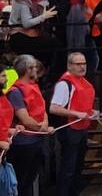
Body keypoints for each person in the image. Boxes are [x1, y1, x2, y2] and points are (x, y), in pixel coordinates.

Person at [48, 52, 97, 196]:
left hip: (81, 128)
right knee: (68, 168)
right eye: (78, 64)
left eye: (84, 63)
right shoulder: (65, 84)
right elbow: (54, 108)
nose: (82, 67)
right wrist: (76, 114)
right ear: (70, 66)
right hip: (70, 129)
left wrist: (90, 111)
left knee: (77, 167)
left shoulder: (83, 82)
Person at [7, 56, 52, 196]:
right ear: (27, 70)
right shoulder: (15, 91)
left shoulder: (34, 87)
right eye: (33, 67)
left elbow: (42, 109)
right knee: (21, 181)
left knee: (30, 179)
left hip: (37, 139)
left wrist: (45, 123)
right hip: (23, 142)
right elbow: (25, 118)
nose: (36, 69)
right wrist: (42, 128)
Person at [7, 0, 59, 67]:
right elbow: (27, 23)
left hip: (17, 36)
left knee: (50, 43)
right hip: (20, 38)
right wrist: (43, 16)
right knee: (53, 44)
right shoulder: (22, 2)